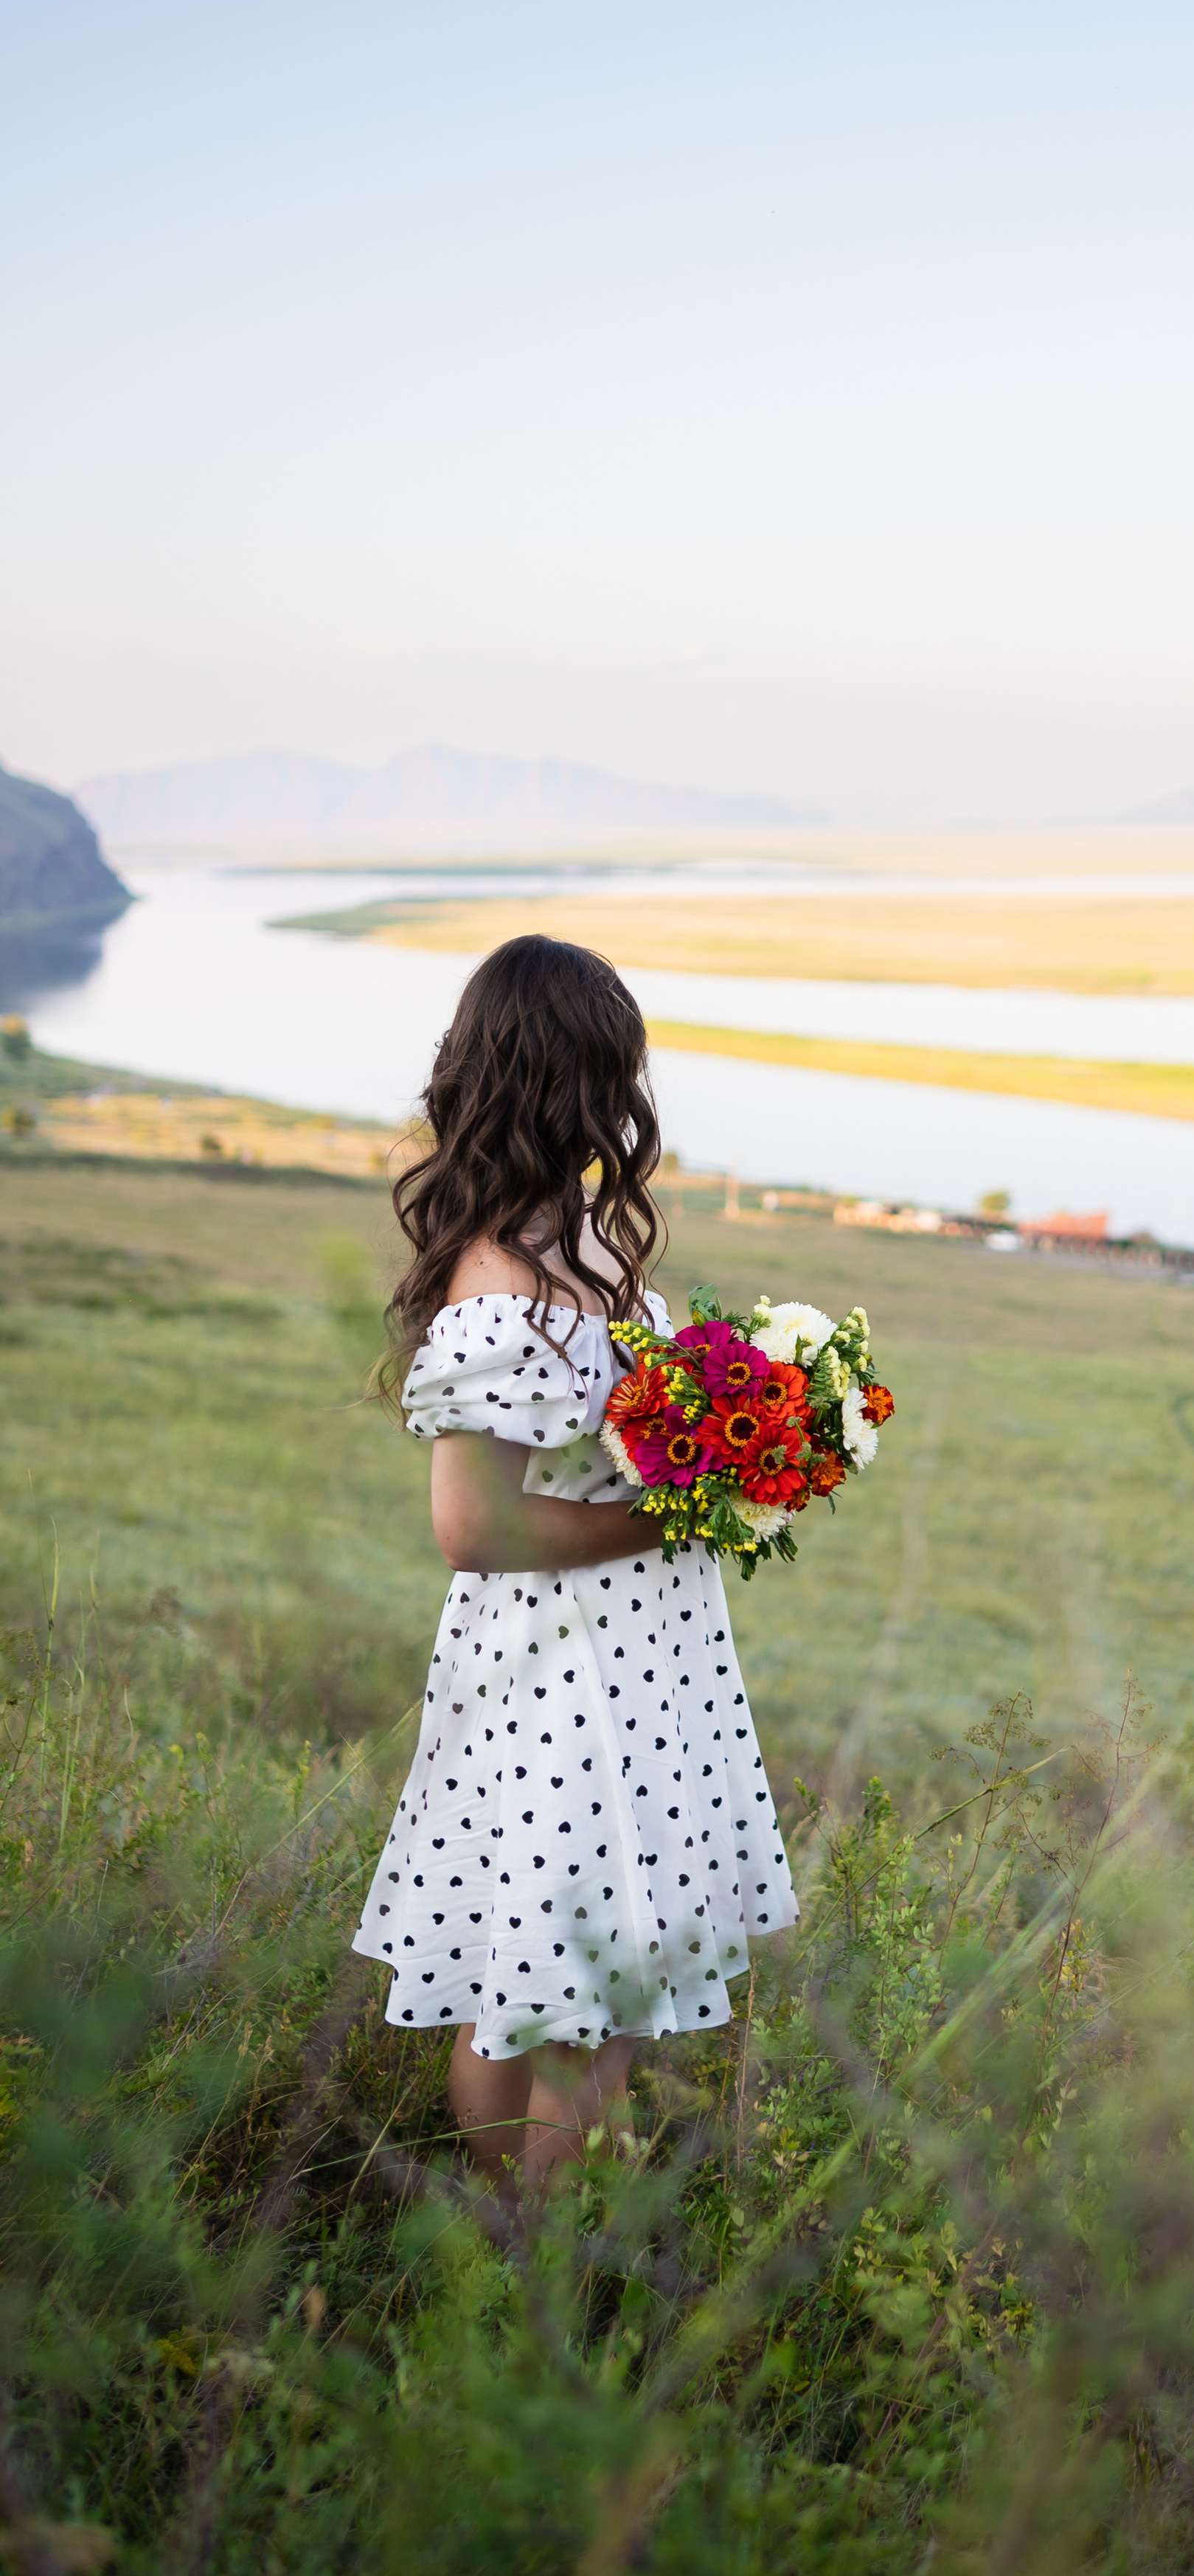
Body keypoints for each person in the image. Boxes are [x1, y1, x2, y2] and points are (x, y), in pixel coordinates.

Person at [351, 934, 799, 2196]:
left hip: (638, 1661)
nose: (627, 1099)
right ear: (568, 1079)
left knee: (568, 1993)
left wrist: (749, 1436)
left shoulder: (585, 1240)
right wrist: (685, 1517)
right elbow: (477, 1529)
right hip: (561, 1676)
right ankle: (550, 2285)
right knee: (566, 2007)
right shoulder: (498, 1276)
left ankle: (516, 2253)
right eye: (613, 1069)